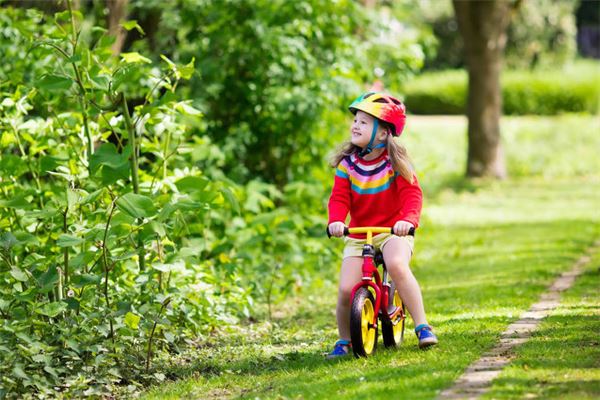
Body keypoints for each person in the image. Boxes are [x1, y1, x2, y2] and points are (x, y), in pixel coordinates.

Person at [326, 92, 438, 358]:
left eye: (364, 122)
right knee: (346, 290)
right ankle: (344, 340)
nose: (355, 125)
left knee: (397, 265)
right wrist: (336, 221)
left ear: (383, 133)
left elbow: (412, 196)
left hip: (392, 231)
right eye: (355, 120)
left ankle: (422, 326)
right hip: (359, 233)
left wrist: (407, 221)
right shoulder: (347, 165)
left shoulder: (394, 163)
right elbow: (339, 198)